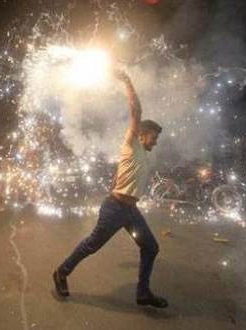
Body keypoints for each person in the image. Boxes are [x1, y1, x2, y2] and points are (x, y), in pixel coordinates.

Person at [52, 70, 168, 308]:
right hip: (114, 209)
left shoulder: (142, 155)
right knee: (92, 245)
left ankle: (143, 293)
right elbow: (136, 110)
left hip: (131, 211)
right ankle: (61, 272)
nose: (155, 142)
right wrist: (127, 80)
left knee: (151, 246)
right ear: (142, 135)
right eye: (153, 137)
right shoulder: (131, 142)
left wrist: (117, 177)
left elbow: (123, 168)